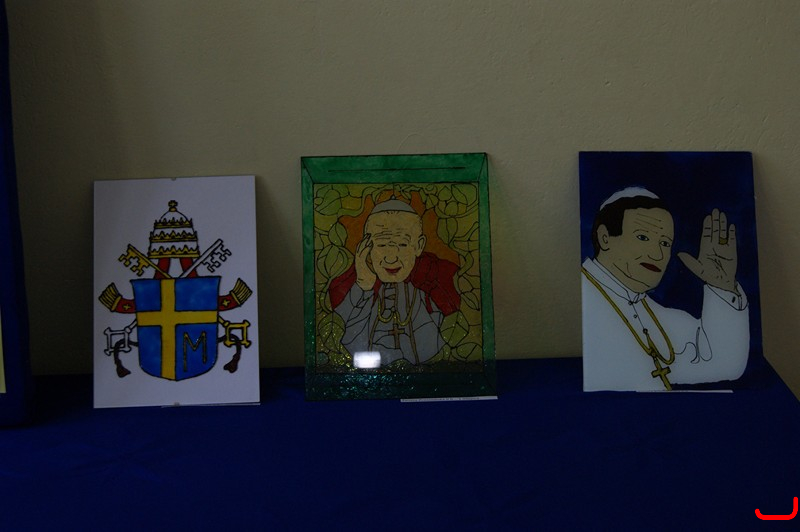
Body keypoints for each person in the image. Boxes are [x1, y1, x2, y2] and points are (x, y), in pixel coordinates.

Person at [581, 187, 749, 391]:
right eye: (643, 238)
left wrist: (722, 286)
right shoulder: (583, 298)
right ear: (605, 238)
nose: (658, 255)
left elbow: (724, 366)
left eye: (665, 243)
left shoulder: (658, 315)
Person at [329, 197, 460, 367]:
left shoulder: (430, 292)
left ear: (419, 246)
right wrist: (363, 286)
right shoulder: (359, 291)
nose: (391, 258)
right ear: (367, 247)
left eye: (403, 244)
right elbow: (340, 334)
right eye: (382, 245)